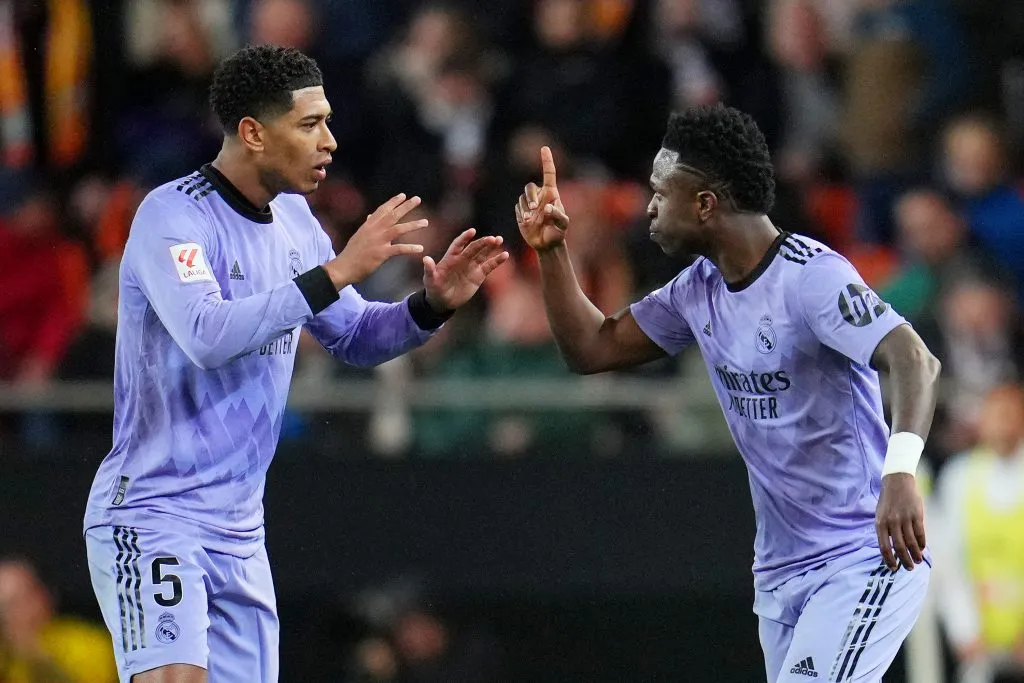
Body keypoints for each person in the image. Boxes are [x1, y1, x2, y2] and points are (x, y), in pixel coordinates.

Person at [82, 44, 508, 683]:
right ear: (252, 133)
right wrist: (337, 270)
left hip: (239, 531)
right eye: (310, 124)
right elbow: (206, 333)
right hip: (154, 511)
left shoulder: (293, 220)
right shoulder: (172, 216)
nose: (330, 141)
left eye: (328, 121)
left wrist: (429, 306)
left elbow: (355, 336)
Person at [515, 103, 941, 682]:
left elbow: (914, 357)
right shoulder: (698, 290)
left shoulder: (811, 278)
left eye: (661, 193)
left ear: (706, 204)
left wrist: (900, 474)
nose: (649, 208)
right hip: (780, 571)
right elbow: (591, 348)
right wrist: (551, 252)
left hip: (864, 554)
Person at [0, 558, 118, 683]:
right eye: (3, 607)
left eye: (15, 603)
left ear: (41, 596)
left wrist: (35, 656)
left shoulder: (88, 644)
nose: (7, 615)